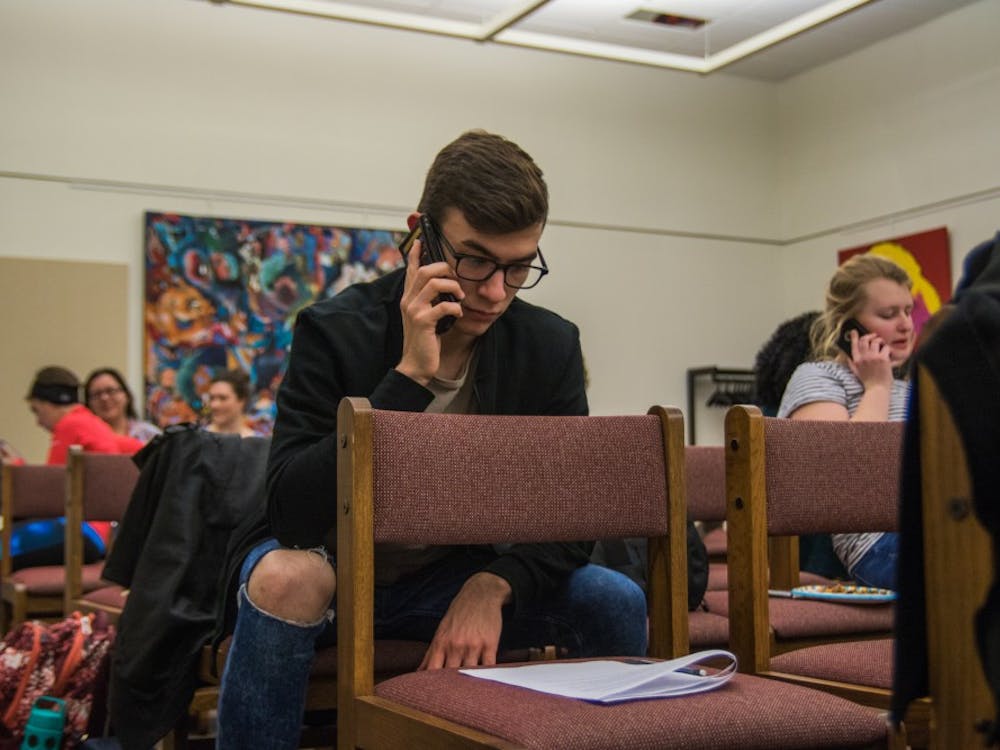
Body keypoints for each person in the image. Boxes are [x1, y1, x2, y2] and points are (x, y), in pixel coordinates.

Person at [216, 130, 648, 749]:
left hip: (453, 572)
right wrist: (409, 378)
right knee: (288, 577)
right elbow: (292, 511)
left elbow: (572, 518)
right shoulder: (334, 331)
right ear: (419, 234)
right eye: (475, 260)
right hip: (329, 569)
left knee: (614, 597)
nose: (496, 292)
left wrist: (492, 585)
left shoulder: (548, 345)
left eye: (520, 266)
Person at [777, 255, 915, 589]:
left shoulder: (915, 387)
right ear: (849, 325)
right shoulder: (817, 378)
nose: (905, 325)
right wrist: (877, 386)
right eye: (887, 314)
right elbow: (845, 475)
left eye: (908, 311)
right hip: (876, 545)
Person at [0, 366, 144, 566]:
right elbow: (138, 448)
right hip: (99, 536)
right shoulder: (92, 423)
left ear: (51, 403)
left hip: (78, 531)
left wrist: (12, 467)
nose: (38, 422)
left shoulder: (70, 425)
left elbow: (50, 496)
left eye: (37, 411)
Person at [84, 367, 161, 444]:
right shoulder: (84, 437)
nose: (104, 398)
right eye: (97, 394)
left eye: (110, 391)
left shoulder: (150, 434)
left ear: (126, 395)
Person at [204, 369, 257, 437]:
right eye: (211, 398)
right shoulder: (196, 442)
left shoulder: (257, 443)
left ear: (241, 401)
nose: (214, 405)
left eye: (223, 398)